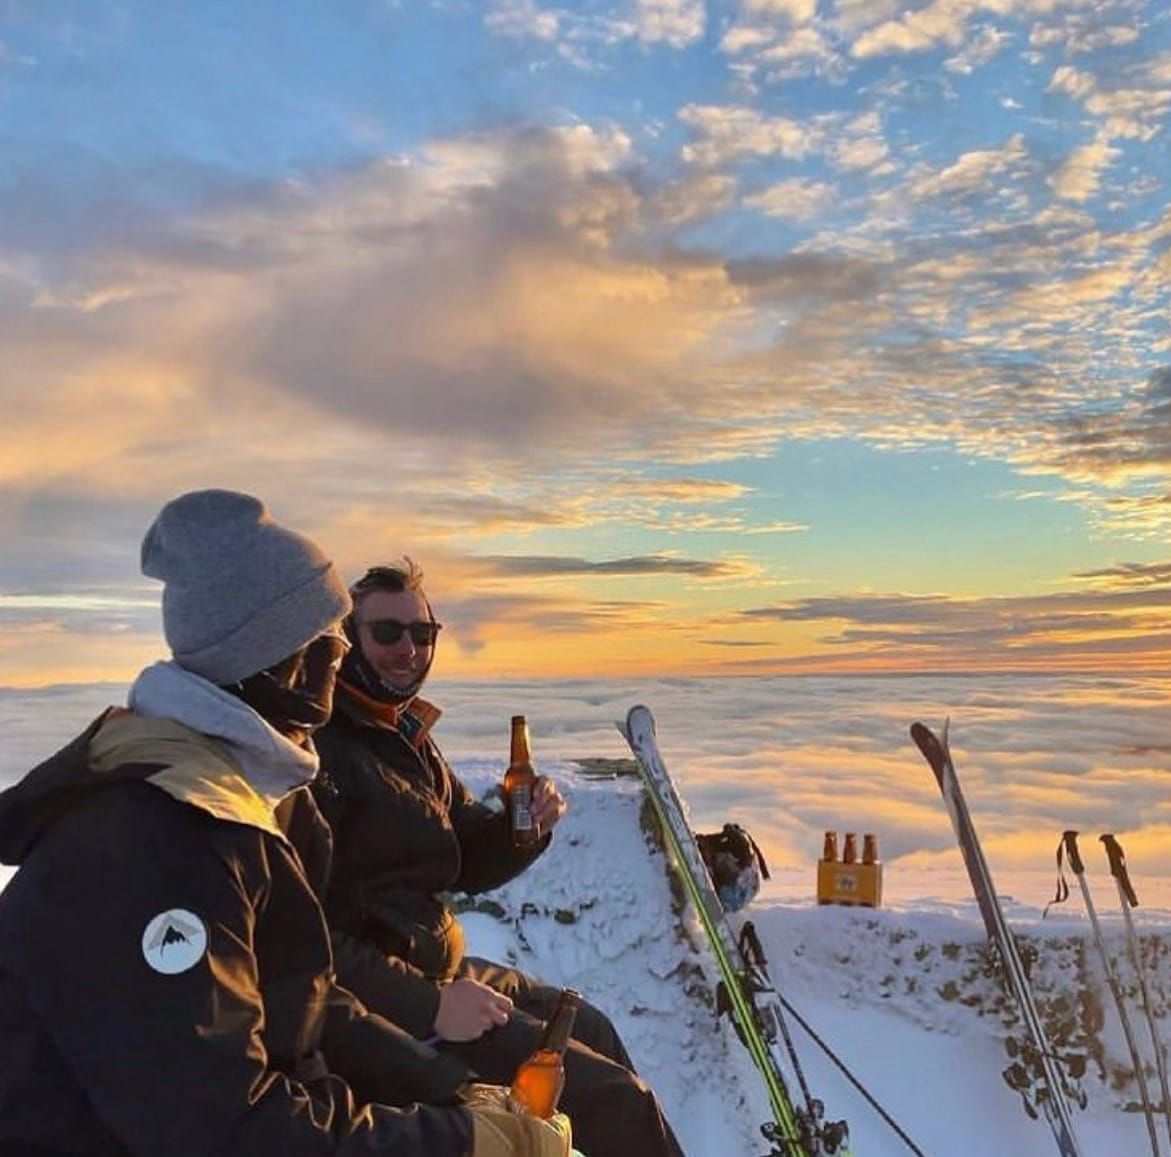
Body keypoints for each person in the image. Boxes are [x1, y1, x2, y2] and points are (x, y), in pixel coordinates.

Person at [0, 489, 572, 1157]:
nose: (340, 659)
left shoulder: (232, 797)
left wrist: (454, 1091)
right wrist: (464, 1141)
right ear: (276, 659)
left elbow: (300, 999)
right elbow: (222, 1128)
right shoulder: (159, 843)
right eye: (329, 640)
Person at [311, 559, 685, 1157]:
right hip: (381, 1003)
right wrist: (430, 1005)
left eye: (423, 634)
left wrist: (523, 829)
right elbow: (307, 937)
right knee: (618, 1103)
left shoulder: (404, 736)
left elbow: (463, 856)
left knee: (589, 1026)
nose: (409, 648)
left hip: (438, 969)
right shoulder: (324, 750)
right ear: (347, 641)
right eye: (387, 632)